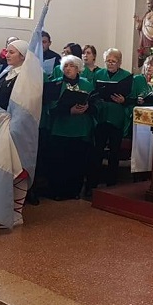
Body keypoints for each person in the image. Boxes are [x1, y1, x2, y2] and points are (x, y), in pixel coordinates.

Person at [0, 0, 51, 230]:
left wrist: (12, 123)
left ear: (22, 55)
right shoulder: (5, 73)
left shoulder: (28, 77)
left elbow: (28, 103)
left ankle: (16, 213)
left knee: (16, 170)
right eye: (6, 51)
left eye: (11, 52)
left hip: (16, 130)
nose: (6, 55)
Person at [47, 55, 94, 200]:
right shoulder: (56, 84)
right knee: (60, 161)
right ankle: (59, 192)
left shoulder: (87, 84)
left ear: (78, 68)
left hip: (80, 128)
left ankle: (75, 191)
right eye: (65, 66)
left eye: (72, 66)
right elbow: (50, 107)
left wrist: (88, 106)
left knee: (78, 161)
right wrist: (69, 111)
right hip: (61, 128)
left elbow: (95, 102)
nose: (68, 69)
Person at [89, 48, 132, 194]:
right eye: (108, 61)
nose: (110, 64)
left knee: (114, 152)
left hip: (116, 117)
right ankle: (92, 184)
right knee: (97, 151)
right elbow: (92, 93)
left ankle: (111, 185)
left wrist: (123, 100)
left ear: (119, 62)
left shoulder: (126, 76)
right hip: (101, 117)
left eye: (113, 61)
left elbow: (130, 97)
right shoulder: (98, 74)